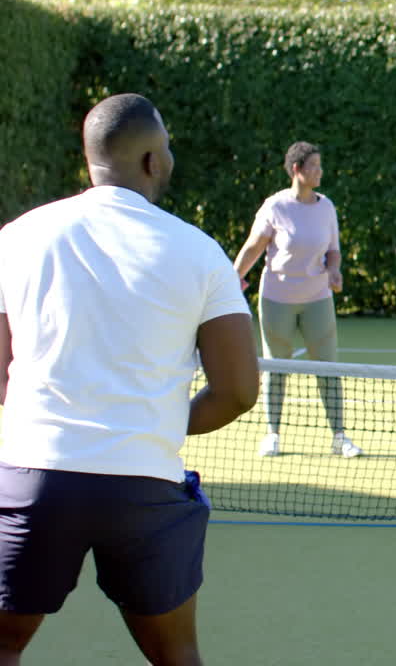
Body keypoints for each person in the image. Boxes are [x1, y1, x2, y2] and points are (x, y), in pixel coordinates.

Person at [0, 93, 260, 665]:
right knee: (176, 655)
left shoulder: (16, 238)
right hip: (145, 486)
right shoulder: (202, 252)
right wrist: (160, 424)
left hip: (33, 478)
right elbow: (239, 390)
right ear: (152, 161)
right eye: (165, 148)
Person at [233, 141, 362, 458]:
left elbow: (333, 251)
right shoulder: (275, 207)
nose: (320, 172)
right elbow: (254, 246)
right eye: (314, 166)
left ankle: (339, 437)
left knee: (328, 367)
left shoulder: (326, 207)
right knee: (276, 367)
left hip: (317, 298)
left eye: (320, 165)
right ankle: (273, 435)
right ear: (297, 170)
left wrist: (334, 271)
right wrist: (233, 277)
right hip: (277, 298)